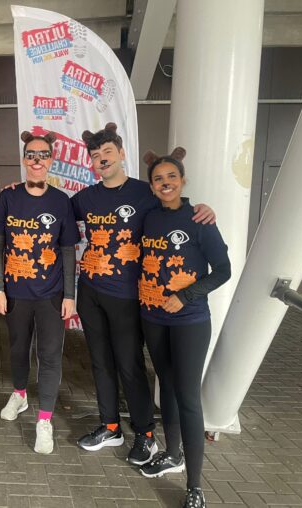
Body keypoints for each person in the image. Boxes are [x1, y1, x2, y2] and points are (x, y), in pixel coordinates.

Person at [71, 123, 215, 465]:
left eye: (108, 152)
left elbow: (176, 207)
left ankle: (145, 434)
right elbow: (52, 211)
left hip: (128, 295)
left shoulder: (145, 193)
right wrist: (20, 192)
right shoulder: (85, 198)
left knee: (129, 364)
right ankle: (110, 427)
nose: (102, 159)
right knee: (100, 361)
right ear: (91, 162)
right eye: (96, 155)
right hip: (89, 291)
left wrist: (203, 209)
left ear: (121, 153)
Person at [137, 148, 230, 508]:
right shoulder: (148, 217)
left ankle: (194, 486)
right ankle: (172, 454)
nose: (165, 183)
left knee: (188, 397)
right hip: (152, 318)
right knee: (167, 387)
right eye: (158, 179)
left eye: (171, 177)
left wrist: (186, 295)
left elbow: (223, 271)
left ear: (182, 180)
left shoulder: (199, 219)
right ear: (151, 186)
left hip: (189, 320)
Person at [0, 130, 80, 454]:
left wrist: (70, 295)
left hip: (51, 294)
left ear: (51, 160)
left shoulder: (60, 201)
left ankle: (44, 420)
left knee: (50, 355)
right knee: (17, 349)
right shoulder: (8, 197)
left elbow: (67, 250)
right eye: (31, 155)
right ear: (24, 160)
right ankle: (20, 394)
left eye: (43, 155)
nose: (37, 160)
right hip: (16, 292)